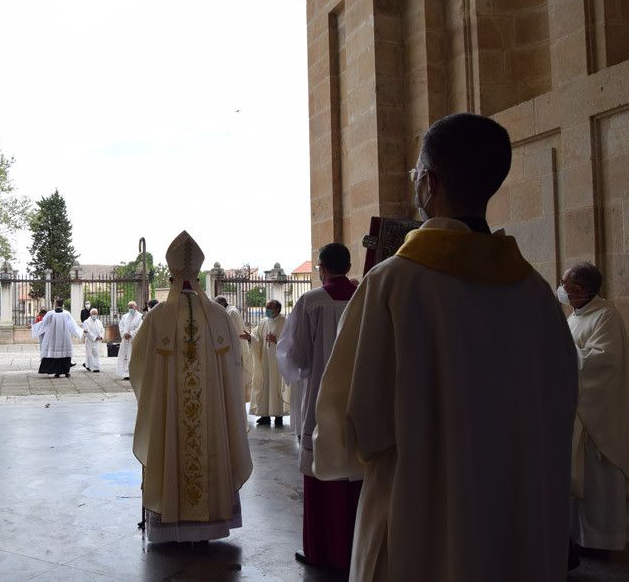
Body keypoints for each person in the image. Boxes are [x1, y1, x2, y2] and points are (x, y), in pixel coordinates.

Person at [312, 113, 579, 581]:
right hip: (518, 524)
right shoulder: (536, 293)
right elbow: (559, 406)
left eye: (417, 172)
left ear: (429, 183)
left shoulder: (395, 284)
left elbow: (360, 422)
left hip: (422, 522)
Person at [130, 231, 252, 542]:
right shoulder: (220, 316)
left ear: (171, 272)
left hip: (169, 413)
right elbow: (237, 367)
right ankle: (210, 523)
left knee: (168, 444)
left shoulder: (158, 316)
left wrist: (154, 398)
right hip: (211, 411)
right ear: (197, 272)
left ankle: (171, 522)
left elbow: (138, 366)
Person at [276, 243, 360, 571]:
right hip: (359, 398)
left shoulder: (311, 302)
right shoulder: (364, 294)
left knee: (321, 472)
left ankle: (322, 550)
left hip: (322, 399)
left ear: (322, 267)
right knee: (357, 472)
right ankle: (356, 549)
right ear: (349, 265)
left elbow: (294, 355)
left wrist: (303, 371)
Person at [559, 262, 629, 562]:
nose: (564, 290)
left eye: (569, 286)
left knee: (599, 482)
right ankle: (581, 538)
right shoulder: (575, 317)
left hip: (599, 421)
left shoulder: (606, 316)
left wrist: (562, 352)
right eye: (564, 283)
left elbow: (602, 363)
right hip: (579, 415)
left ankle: (600, 540)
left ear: (584, 290)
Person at [243, 300, 289, 426]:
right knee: (264, 384)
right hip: (264, 361)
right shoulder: (263, 322)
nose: (267, 310)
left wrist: (277, 340)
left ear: (278, 310)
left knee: (276, 386)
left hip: (279, 362)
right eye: (266, 308)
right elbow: (256, 337)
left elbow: (291, 341)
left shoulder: (285, 322)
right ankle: (264, 415)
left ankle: (278, 415)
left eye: (270, 308)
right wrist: (250, 338)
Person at [215, 296, 253, 404]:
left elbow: (232, 333)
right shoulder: (231, 310)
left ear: (221, 304)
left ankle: (236, 404)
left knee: (236, 381)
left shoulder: (230, 312)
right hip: (235, 350)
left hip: (235, 351)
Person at [33, 298, 83, 378]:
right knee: (66, 355)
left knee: (55, 355)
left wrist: (33, 327)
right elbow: (73, 325)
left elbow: (43, 324)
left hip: (54, 338)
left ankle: (57, 372)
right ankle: (66, 372)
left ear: (55, 304)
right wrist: (81, 331)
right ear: (62, 304)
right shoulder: (67, 313)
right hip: (65, 338)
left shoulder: (50, 314)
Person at [117, 301, 143, 380]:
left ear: (136, 307)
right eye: (129, 307)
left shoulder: (140, 316)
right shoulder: (125, 316)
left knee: (132, 356)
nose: (130, 309)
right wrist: (124, 333)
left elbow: (139, 327)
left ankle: (133, 373)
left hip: (133, 340)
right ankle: (125, 373)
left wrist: (131, 334)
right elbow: (121, 325)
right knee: (124, 356)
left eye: (132, 307)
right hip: (125, 340)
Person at [82, 308, 105, 372]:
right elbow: (87, 331)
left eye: (96, 314)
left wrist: (101, 336)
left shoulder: (99, 321)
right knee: (90, 354)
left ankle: (93, 366)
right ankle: (92, 367)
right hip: (90, 340)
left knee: (96, 354)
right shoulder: (86, 322)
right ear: (90, 314)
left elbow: (102, 329)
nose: (95, 315)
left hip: (98, 341)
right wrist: (94, 337)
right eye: (93, 314)